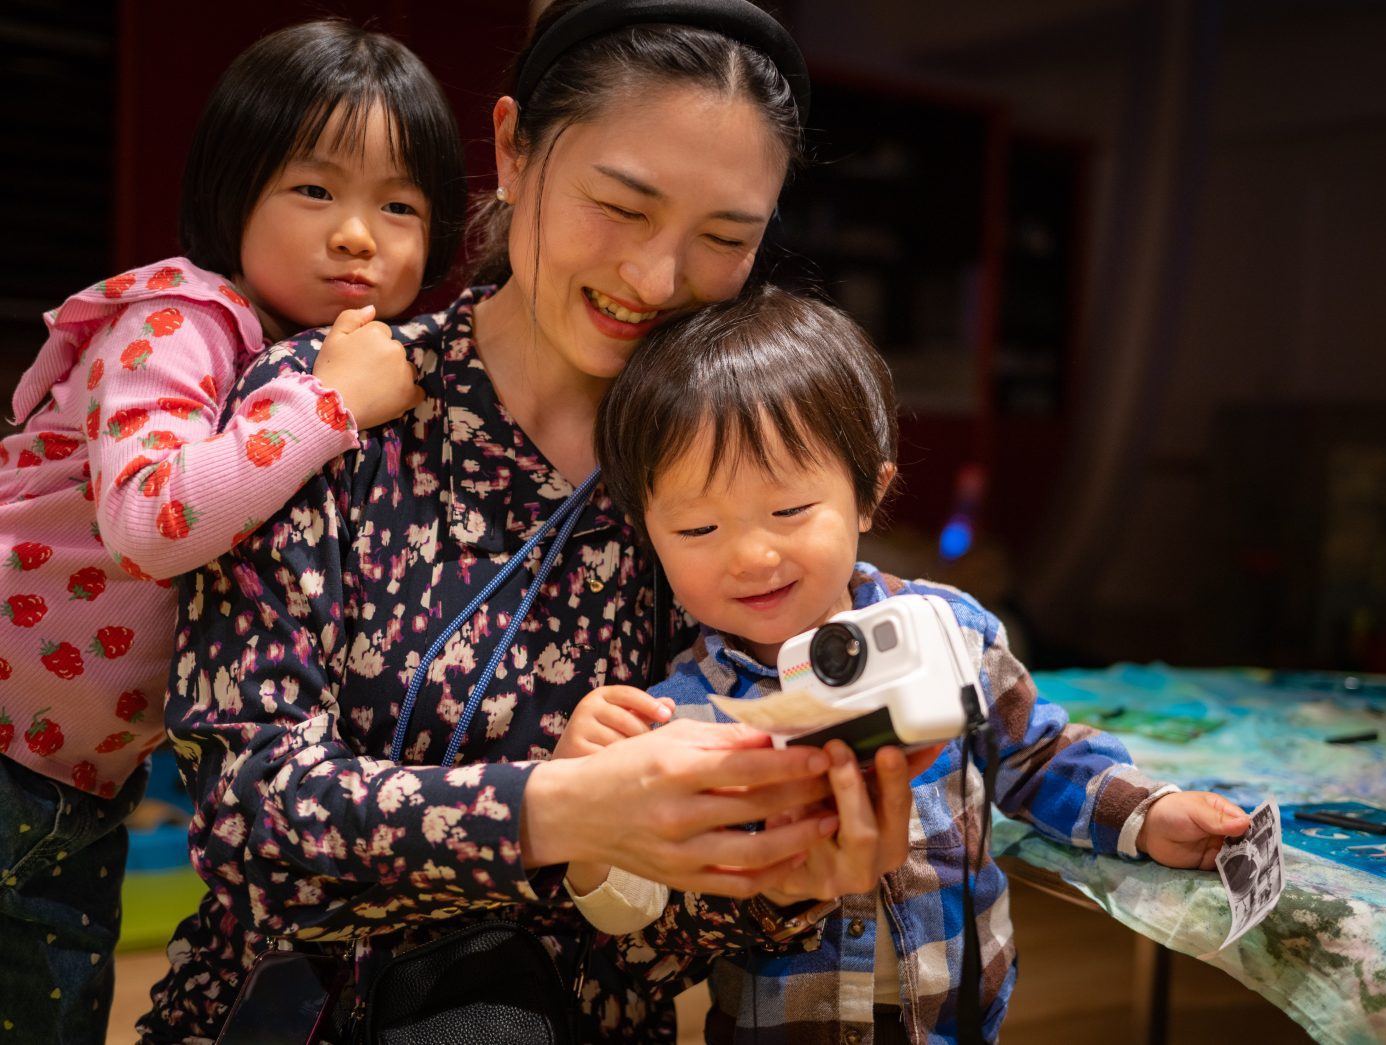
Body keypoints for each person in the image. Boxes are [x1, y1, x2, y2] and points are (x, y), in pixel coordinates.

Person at [139, 2, 925, 1041]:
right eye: (621, 206)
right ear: (512, 149)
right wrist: (556, 810)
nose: (654, 280)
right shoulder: (329, 406)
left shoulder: (720, 497)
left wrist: (789, 878)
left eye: (723, 238)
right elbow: (248, 812)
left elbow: (664, 942)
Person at [561, 284, 1255, 1043]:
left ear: (869, 493)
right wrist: (589, 824)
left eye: (790, 511)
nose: (751, 555)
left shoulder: (947, 628)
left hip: (961, 1018)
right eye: (697, 527)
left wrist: (1147, 813)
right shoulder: (679, 714)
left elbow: (1036, 754)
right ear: (647, 534)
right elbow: (632, 919)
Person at [0, 20, 460, 1042]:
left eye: (399, 205)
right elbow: (150, 518)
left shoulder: (297, 355)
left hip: (76, 773)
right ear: (231, 186)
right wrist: (331, 405)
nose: (358, 234)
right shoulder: (182, 318)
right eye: (315, 190)